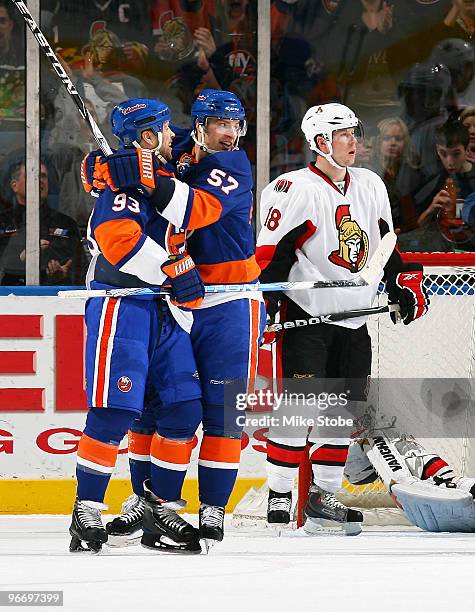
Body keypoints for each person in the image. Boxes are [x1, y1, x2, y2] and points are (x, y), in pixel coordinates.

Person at [80, 90, 265, 548]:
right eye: (220, 124)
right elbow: (132, 157)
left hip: (227, 303)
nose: (230, 133)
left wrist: (140, 172)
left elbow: (190, 210)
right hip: (175, 300)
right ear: (198, 127)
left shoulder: (235, 165)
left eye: (235, 123)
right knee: (161, 408)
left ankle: (212, 508)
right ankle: (151, 504)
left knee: (221, 412)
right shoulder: (175, 146)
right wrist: (101, 167)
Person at [255, 102, 429, 534]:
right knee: (299, 407)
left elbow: (386, 244)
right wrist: (266, 308)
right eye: (345, 134)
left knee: (341, 411)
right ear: (320, 142)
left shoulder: (370, 183)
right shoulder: (292, 188)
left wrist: (402, 281)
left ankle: (323, 497)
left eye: (355, 132)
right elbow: (270, 258)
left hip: (356, 317)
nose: (355, 140)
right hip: (309, 316)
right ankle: (280, 492)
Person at [70, 98, 206, 554]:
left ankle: (157, 508)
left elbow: (198, 147)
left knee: (184, 409)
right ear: (148, 137)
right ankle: (86, 512)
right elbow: (116, 241)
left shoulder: (161, 170)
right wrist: (173, 270)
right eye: (165, 131)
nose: (175, 137)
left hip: (167, 313)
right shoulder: (121, 184)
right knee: (115, 412)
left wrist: (111, 163)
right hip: (123, 305)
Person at [0, 161, 84, 285]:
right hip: (8, 297)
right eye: (31, 175)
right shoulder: (3, 221)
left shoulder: (66, 223)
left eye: (43, 176)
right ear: (14, 186)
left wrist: (63, 276)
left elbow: (80, 268)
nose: (39, 180)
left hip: (57, 298)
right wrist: (21, 260)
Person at [415, 120, 475, 250]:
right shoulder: (432, 181)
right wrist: (431, 209)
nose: (450, 161)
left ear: (467, 149)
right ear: (437, 150)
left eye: (456, 153)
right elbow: (415, 230)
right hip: (441, 255)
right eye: (443, 153)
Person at [371, 117, 422, 250]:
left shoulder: (414, 173)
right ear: (379, 142)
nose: (392, 143)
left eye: (398, 139)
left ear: (405, 143)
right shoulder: (370, 174)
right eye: (387, 138)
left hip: (410, 238)